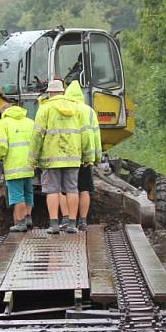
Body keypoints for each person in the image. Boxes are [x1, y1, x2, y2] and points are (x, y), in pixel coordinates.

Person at [29, 79, 93, 234]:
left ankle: (54, 225)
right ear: (63, 91)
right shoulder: (76, 108)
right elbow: (85, 134)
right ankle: (72, 225)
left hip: (51, 159)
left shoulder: (45, 109)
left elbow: (37, 135)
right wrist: (87, 157)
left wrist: (33, 159)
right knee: (72, 189)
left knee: (52, 190)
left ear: (50, 92)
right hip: (72, 157)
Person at [0, 102, 35, 232]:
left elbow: (0, 147)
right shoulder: (30, 122)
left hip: (14, 166)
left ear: (4, 113)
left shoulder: (4, 124)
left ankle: (20, 223)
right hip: (29, 165)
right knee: (28, 193)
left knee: (17, 195)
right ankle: (28, 218)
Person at [65, 81, 101, 230]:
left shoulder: (64, 109)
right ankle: (83, 220)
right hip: (85, 158)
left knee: (68, 189)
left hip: (68, 156)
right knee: (84, 189)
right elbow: (95, 135)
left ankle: (68, 219)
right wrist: (95, 157)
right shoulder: (89, 111)